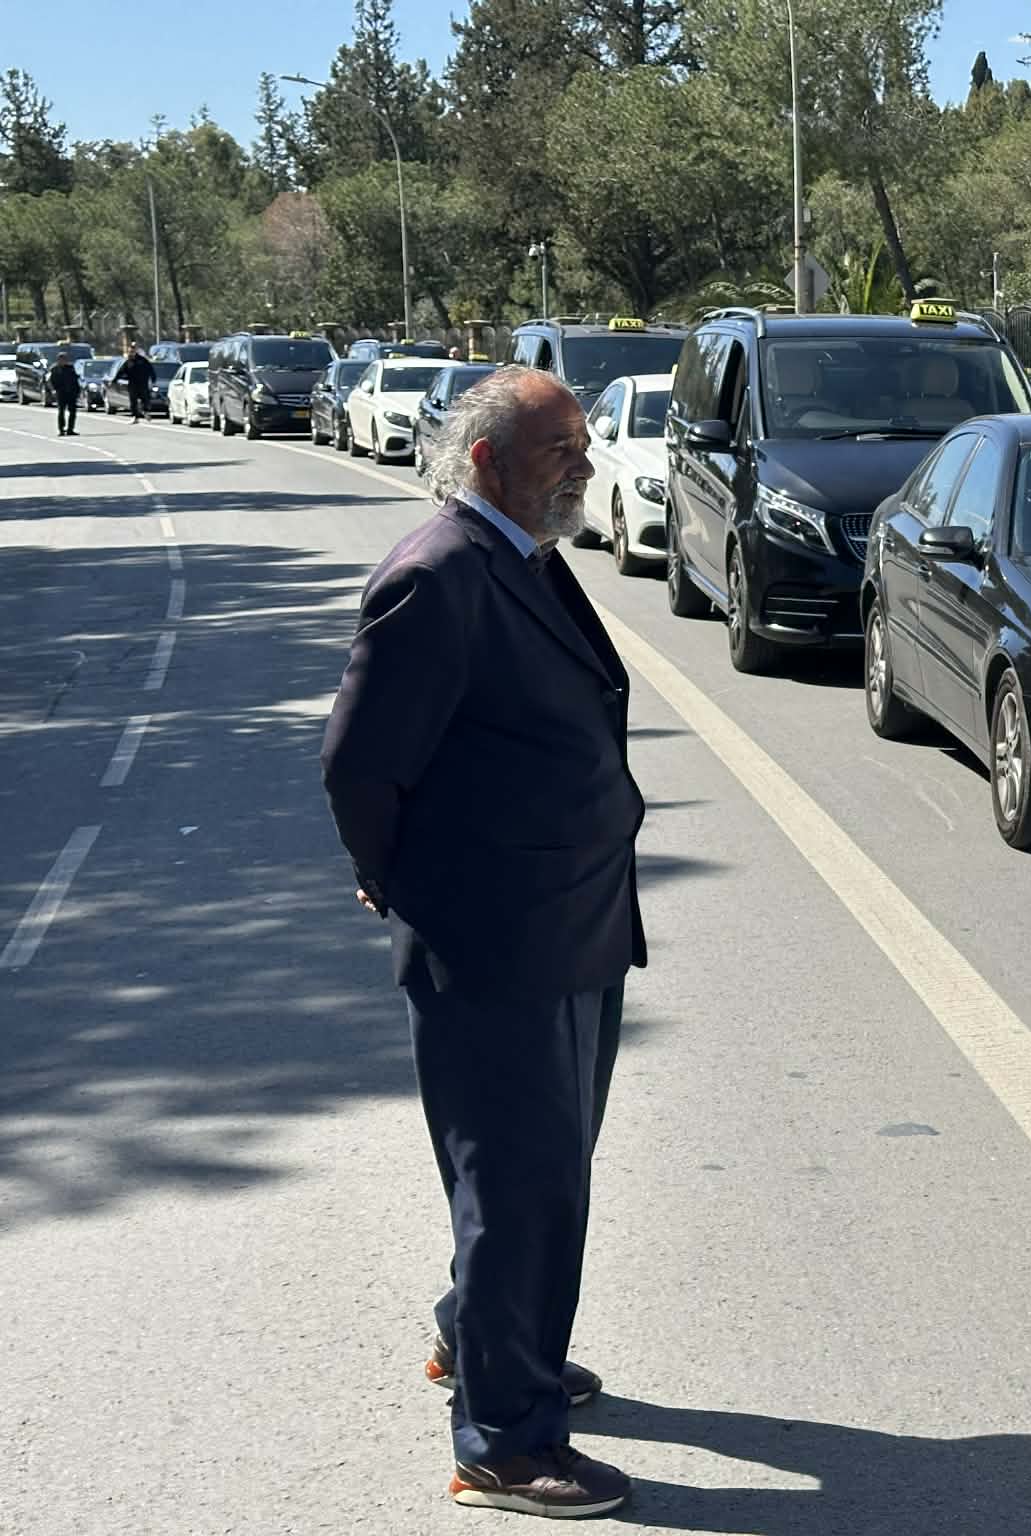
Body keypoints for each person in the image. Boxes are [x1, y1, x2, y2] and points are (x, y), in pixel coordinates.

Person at [320, 366, 645, 1519]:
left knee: (547, 1168)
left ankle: (478, 1342)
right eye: (560, 447)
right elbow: (362, 764)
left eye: (583, 443)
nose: (585, 463)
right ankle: (505, 1444)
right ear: (485, 459)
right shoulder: (440, 575)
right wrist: (396, 880)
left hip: (574, 922)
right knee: (519, 1186)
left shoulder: (526, 559)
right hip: (496, 939)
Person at [115, 344, 154, 422]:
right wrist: (115, 380)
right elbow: (121, 371)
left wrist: (153, 379)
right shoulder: (128, 362)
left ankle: (146, 412)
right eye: (129, 352)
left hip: (143, 384)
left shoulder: (143, 360)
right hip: (132, 384)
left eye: (132, 351)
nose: (131, 353)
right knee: (133, 401)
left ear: (135, 351)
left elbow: (151, 370)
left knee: (145, 399)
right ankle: (135, 417)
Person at [49, 350, 81, 437]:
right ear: (58, 360)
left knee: (73, 412)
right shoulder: (55, 369)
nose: (64, 361)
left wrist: (77, 391)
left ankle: (70, 429)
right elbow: (52, 381)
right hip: (61, 393)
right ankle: (61, 429)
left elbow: (75, 380)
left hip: (71, 393)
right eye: (62, 359)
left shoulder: (70, 368)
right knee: (61, 411)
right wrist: (54, 390)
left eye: (65, 359)